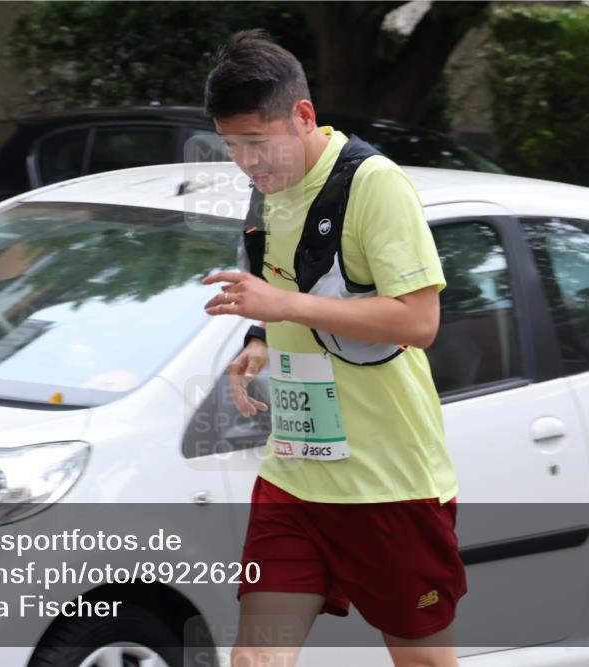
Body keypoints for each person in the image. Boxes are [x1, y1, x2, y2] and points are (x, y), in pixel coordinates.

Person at [200, 29, 467, 667]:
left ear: (304, 115)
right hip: (295, 472)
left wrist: (282, 308)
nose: (248, 163)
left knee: (422, 661)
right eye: (232, 146)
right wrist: (258, 339)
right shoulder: (266, 192)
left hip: (388, 480)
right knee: (254, 659)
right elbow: (281, 283)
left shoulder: (374, 184)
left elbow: (420, 320)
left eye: (257, 143)